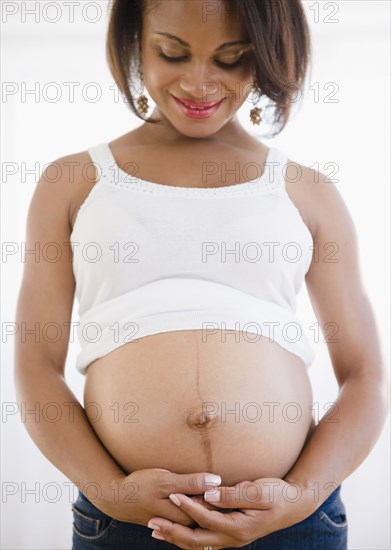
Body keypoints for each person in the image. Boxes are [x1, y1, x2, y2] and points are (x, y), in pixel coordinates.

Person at [14, 0, 389, 549]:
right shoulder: (72, 181)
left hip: (290, 524)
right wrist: (110, 492)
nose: (199, 82)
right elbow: (35, 367)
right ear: (134, 43)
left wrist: (301, 497)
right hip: (127, 524)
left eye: (231, 59)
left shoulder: (308, 191)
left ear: (264, 57)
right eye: (172, 52)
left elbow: (366, 377)